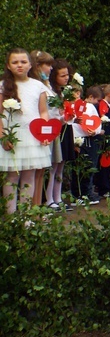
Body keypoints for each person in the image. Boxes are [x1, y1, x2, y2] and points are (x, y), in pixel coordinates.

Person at [0, 48, 52, 214]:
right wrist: (2, 136)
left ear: (30, 65)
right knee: (11, 177)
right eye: (15, 62)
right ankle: (11, 216)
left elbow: (43, 112)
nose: (19, 65)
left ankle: (26, 216)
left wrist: (45, 134)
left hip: (32, 137)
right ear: (8, 66)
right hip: (11, 137)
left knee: (29, 176)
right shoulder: (3, 86)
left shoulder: (38, 86)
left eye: (23, 62)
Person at [45, 59, 76, 211]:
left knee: (61, 165)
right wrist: (63, 117)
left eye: (67, 75)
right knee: (53, 165)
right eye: (62, 75)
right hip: (56, 128)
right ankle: (49, 199)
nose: (66, 78)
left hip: (65, 128)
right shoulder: (50, 92)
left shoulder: (64, 92)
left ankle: (57, 197)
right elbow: (50, 114)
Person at [29, 50, 55, 206]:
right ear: (38, 66)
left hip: (47, 130)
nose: (51, 69)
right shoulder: (34, 85)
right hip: (36, 130)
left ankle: (37, 208)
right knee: (33, 173)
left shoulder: (45, 84)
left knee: (41, 172)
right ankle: (31, 208)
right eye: (48, 65)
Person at [71, 86, 104, 205]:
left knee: (89, 166)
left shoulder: (89, 106)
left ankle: (87, 192)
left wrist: (94, 131)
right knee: (78, 168)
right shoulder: (69, 106)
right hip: (76, 139)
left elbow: (96, 121)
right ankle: (77, 194)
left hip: (89, 139)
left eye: (77, 92)